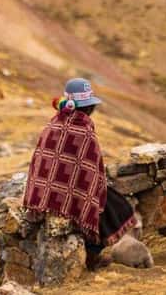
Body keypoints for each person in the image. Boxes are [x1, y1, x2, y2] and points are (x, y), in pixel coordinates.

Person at [23, 78, 138, 270]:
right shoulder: (84, 132)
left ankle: (92, 254)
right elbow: (95, 175)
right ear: (88, 108)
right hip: (65, 198)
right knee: (115, 207)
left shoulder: (53, 124)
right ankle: (92, 256)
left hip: (43, 196)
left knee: (106, 204)